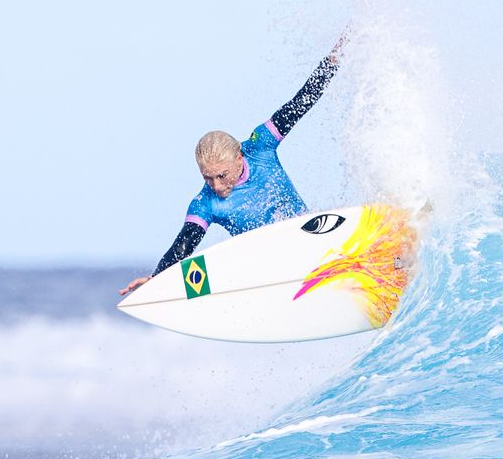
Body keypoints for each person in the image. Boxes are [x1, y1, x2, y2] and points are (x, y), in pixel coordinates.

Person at [119, 38, 344, 296]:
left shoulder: (261, 146)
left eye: (221, 175)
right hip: (271, 267)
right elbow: (183, 246)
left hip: (308, 239)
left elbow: (300, 103)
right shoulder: (205, 204)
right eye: (208, 178)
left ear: (239, 158)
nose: (216, 185)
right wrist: (156, 278)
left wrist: (331, 63)